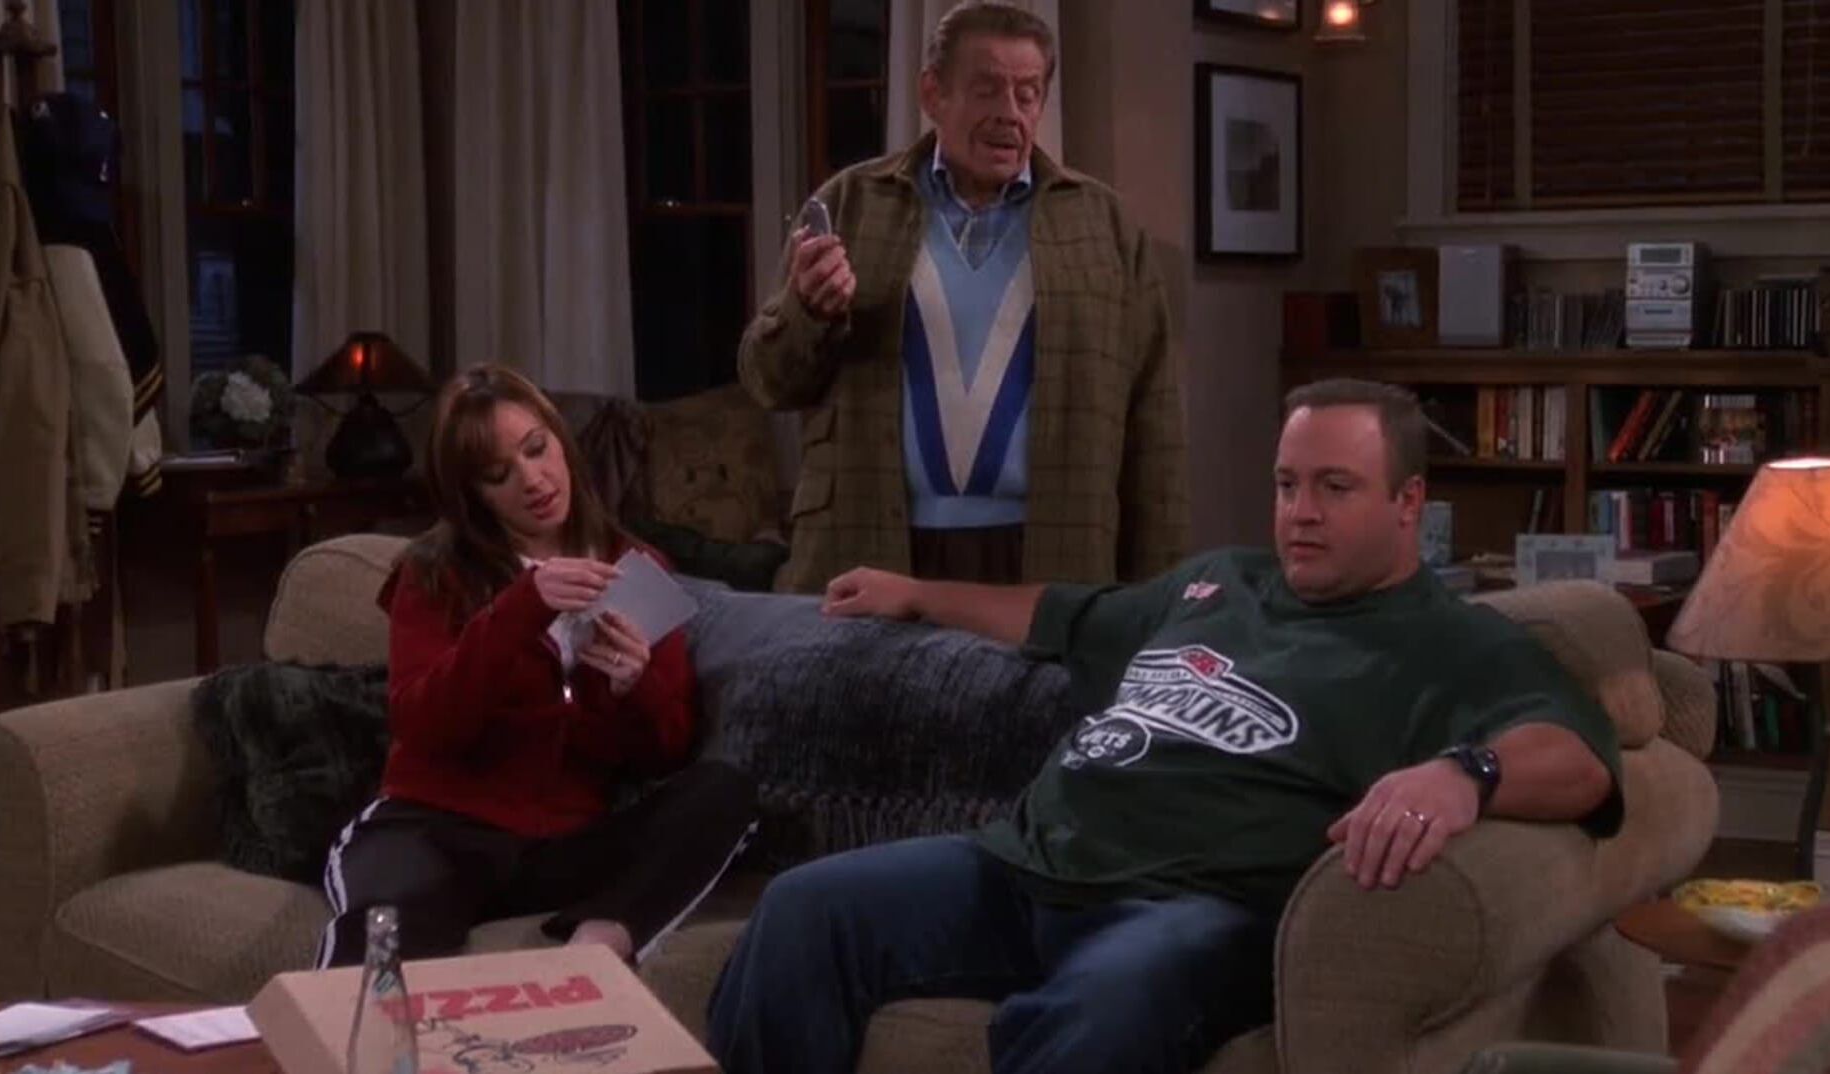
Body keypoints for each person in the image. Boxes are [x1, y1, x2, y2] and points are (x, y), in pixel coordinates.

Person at [705, 378, 1625, 1074]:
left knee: (1107, 1005)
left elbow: (1581, 760)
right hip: (1023, 866)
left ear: (1407, 502)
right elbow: (1059, 613)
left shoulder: (1452, 642)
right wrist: (917, 594)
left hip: (1194, 908)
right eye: (1286, 484)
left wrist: (1464, 774)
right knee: (804, 909)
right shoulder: (1220, 581)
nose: (1300, 514)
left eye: (1334, 487)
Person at [315, 365, 755, 969]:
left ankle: (593, 955)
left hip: (565, 845)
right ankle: (344, 1023)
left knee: (724, 792)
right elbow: (424, 726)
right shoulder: (436, 572)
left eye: (537, 448)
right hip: (436, 829)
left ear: (560, 439)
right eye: (498, 475)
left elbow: (665, 752)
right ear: (473, 494)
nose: (533, 480)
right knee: (380, 940)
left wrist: (636, 685)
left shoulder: (636, 567)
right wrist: (521, 609)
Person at [739, 0, 1188, 593]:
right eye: (986, 90)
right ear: (933, 94)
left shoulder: (1103, 225)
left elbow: (1154, 423)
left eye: (1027, 94)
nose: (1009, 114)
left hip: (1053, 554)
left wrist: (1160, 596)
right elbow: (767, 381)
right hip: (872, 547)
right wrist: (808, 312)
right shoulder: (852, 203)